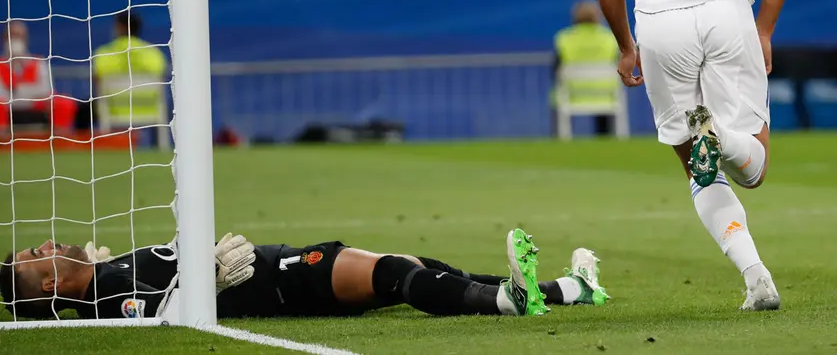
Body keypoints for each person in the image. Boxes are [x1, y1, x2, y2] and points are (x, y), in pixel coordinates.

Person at [594, 0, 792, 310]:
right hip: (728, 13)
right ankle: (722, 136)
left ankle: (756, 278)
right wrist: (763, 29)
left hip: (661, 23)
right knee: (754, 169)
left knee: (699, 170)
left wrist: (625, 46)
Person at [0, 229, 608, 320]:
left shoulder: (104, 274)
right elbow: (159, 316)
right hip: (273, 283)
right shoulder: (108, 299)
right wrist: (204, 280)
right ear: (51, 286)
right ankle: (508, 302)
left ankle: (564, 290)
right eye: (36, 256)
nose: (46, 244)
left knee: (423, 267)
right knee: (397, 273)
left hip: (274, 272)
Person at [551, 0, 620, 136]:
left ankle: (559, 138)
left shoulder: (564, 38)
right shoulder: (610, 38)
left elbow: (555, 70)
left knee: (555, 97)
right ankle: (605, 140)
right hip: (605, 93)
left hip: (573, 93)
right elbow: (618, 66)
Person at [0, 21, 78, 134]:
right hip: (7, 108)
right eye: (12, 35)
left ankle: (60, 142)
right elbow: (2, 94)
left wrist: (18, 91)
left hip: (36, 106)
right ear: (5, 39)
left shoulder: (38, 62)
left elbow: (46, 90)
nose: (16, 40)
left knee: (65, 103)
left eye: (20, 36)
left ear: (26, 39)